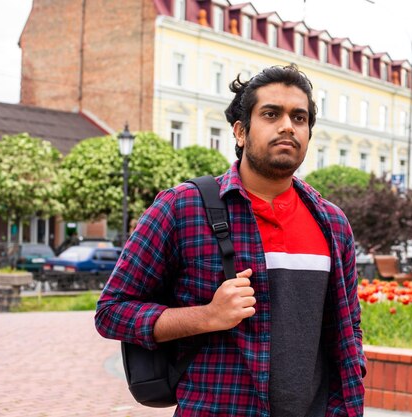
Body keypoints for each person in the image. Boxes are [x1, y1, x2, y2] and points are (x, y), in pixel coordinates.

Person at [95, 64, 365, 417]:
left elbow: (348, 328)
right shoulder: (182, 208)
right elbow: (112, 311)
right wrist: (206, 316)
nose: (287, 125)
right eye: (271, 114)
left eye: (299, 118)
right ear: (240, 131)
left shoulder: (332, 223)